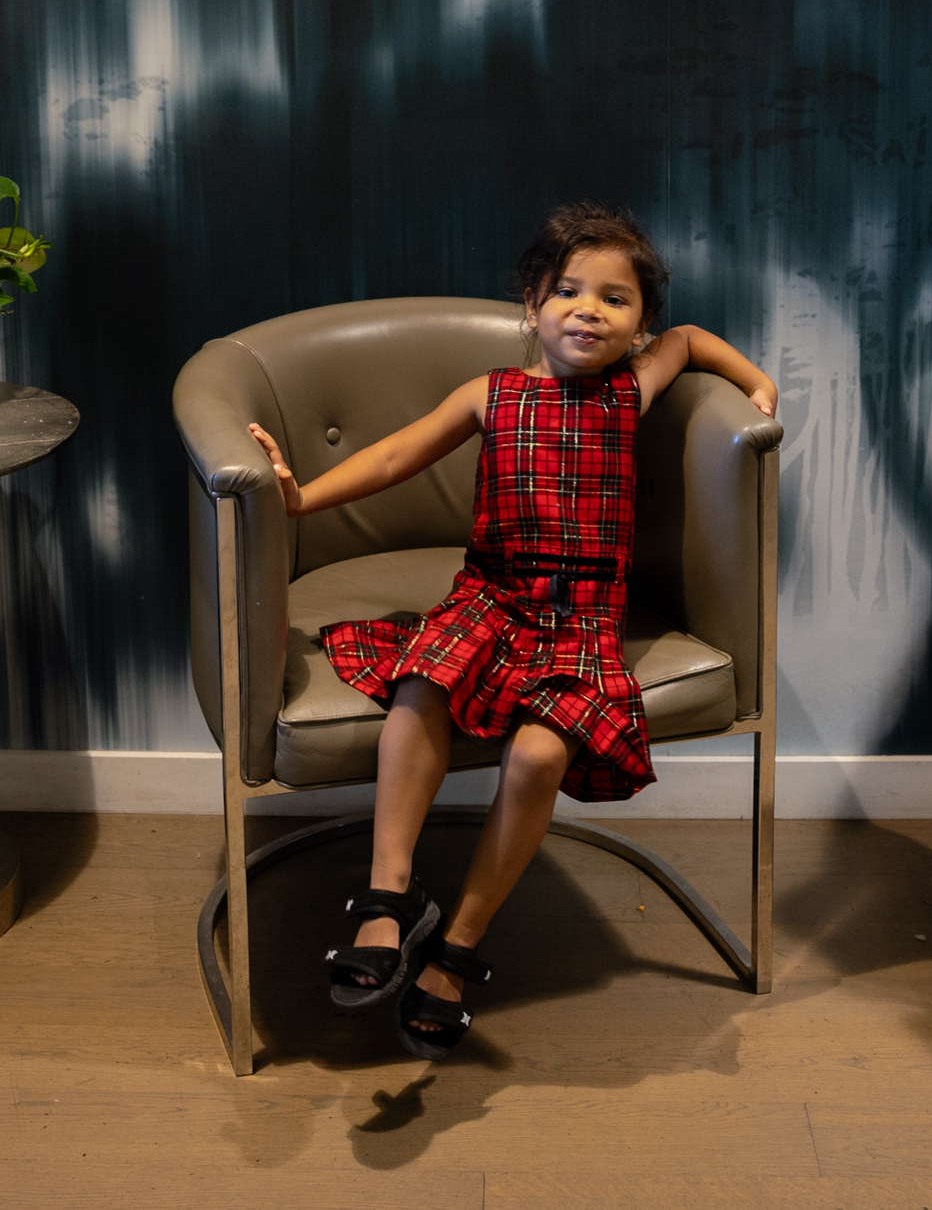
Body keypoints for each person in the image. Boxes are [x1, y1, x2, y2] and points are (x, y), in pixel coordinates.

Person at [244, 205, 776, 1059]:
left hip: (582, 621)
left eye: (616, 298)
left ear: (640, 324)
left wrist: (757, 383)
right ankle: (387, 901)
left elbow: (695, 340)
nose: (588, 309)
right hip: (489, 600)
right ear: (531, 305)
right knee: (423, 684)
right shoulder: (491, 395)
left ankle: (457, 945)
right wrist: (300, 495)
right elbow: (392, 457)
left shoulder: (630, 391)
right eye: (567, 289)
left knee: (539, 754)